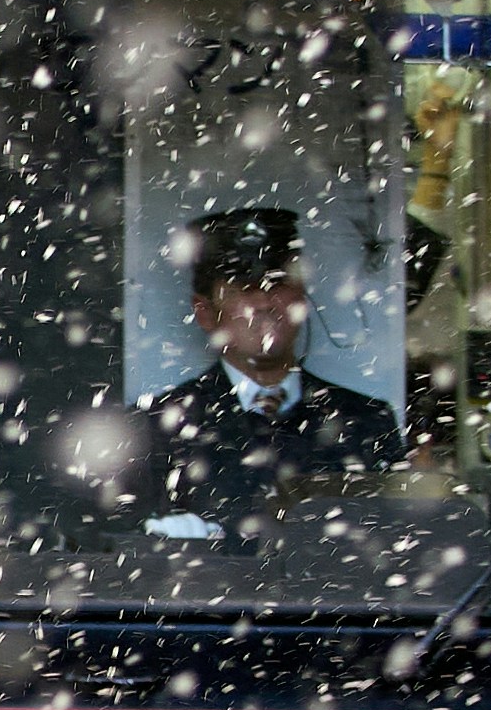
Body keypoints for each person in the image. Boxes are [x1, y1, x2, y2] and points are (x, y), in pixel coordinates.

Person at [143, 205, 412, 545]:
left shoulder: (366, 422)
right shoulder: (162, 427)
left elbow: (397, 553)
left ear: (301, 296)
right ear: (205, 312)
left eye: (278, 282)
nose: (265, 302)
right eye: (244, 286)